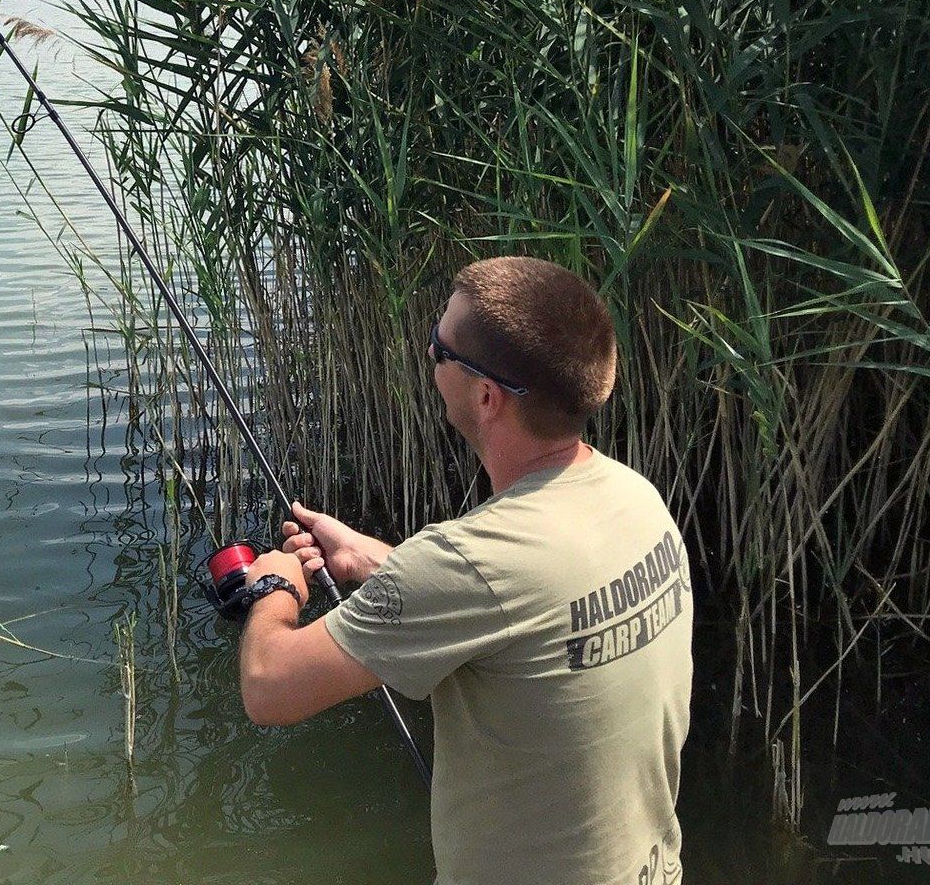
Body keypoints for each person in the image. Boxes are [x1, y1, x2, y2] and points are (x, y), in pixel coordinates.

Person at [236, 256, 692, 885]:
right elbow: (529, 609)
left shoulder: (467, 563)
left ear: (485, 395)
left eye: (438, 349)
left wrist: (277, 583)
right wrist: (377, 562)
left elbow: (269, 687)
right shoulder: (637, 500)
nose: (429, 360)